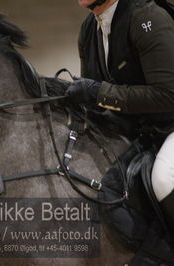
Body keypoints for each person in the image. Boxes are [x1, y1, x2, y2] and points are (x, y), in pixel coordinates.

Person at [66, 0, 174, 237]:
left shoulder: (147, 17)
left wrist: (98, 92)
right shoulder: (88, 29)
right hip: (142, 131)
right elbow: (94, 100)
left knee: (163, 178)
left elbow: (168, 95)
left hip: (170, 126)